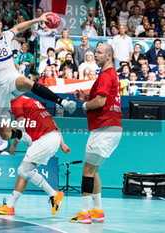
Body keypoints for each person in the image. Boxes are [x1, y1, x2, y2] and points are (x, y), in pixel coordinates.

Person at [0, 13, 76, 145]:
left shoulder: (6, 36)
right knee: (5, 134)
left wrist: (38, 19)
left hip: (11, 78)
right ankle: (21, 134)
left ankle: (63, 102)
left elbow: (18, 28)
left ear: (0, 25)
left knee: (27, 82)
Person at [0, 95, 69, 216]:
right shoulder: (33, 102)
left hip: (44, 139)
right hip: (51, 138)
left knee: (23, 170)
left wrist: (15, 144)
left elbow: (20, 127)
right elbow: (53, 123)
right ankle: (10, 206)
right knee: (24, 172)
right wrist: (62, 143)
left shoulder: (17, 103)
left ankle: (54, 194)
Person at [71, 43, 122, 224]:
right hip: (113, 128)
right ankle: (97, 210)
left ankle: (85, 213)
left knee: (87, 170)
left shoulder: (107, 75)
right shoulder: (110, 75)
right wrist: (86, 98)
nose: (95, 55)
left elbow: (100, 102)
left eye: (99, 52)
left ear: (109, 56)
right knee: (94, 169)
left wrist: (84, 106)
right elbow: (102, 99)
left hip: (104, 127)